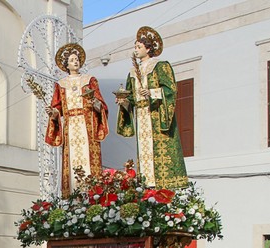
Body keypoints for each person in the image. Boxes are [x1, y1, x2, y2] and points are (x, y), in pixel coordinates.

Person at [115, 26, 188, 189]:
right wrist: (124, 102)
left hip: (155, 114)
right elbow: (132, 98)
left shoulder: (160, 65)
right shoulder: (132, 72)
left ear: (148, 49)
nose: (136, 50)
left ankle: (163, 186)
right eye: (135, 47)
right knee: (143, 153)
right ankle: (146, 186)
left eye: (139, 47)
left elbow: (170, 89)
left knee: (160, 153)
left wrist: (152, 92)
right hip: (141, 117)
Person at [45, 43, 109, 197]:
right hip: (70, 128)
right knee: (72, 163)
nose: (75, 61)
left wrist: (95, 104)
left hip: (87, 126)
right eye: (72, 60)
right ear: (66, 64)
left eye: (77, 59)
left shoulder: (89, 80)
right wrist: (52, 112)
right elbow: (57, 108)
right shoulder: (60, 84)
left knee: (88, 162)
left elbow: (101, 104)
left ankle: (93, 196)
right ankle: (73, 197)